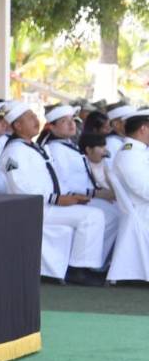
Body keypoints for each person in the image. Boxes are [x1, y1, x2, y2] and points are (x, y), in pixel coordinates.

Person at [0, 101, 106, 282]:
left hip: (47, 204)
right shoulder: (14, 151)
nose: (36, 120)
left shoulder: (31, 147)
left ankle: (80, 267)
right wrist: (57, 199)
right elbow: (20, 187)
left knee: (95, 213)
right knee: (92, 216)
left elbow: (52, 179)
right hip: (34, 209)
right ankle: (77, 270)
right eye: (30, 118)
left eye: (35, 116)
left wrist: (71, 196)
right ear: (17, 125)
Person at [40, 103, 119, 263]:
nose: (71, 124)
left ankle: (97, 260)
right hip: (69, 198)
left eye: (72, 120)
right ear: (52, 128)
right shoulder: (55, 149)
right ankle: (83, 263)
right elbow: (63, 181)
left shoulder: (68, 145)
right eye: (64, 121)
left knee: (114, 213)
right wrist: (95, 194)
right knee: (110, 215)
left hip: (84, 194)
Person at [106, 113, 149, 284]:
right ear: (143, 129)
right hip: (141, 208)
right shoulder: (128, 154)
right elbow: (142, 188)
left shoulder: (140, 151)